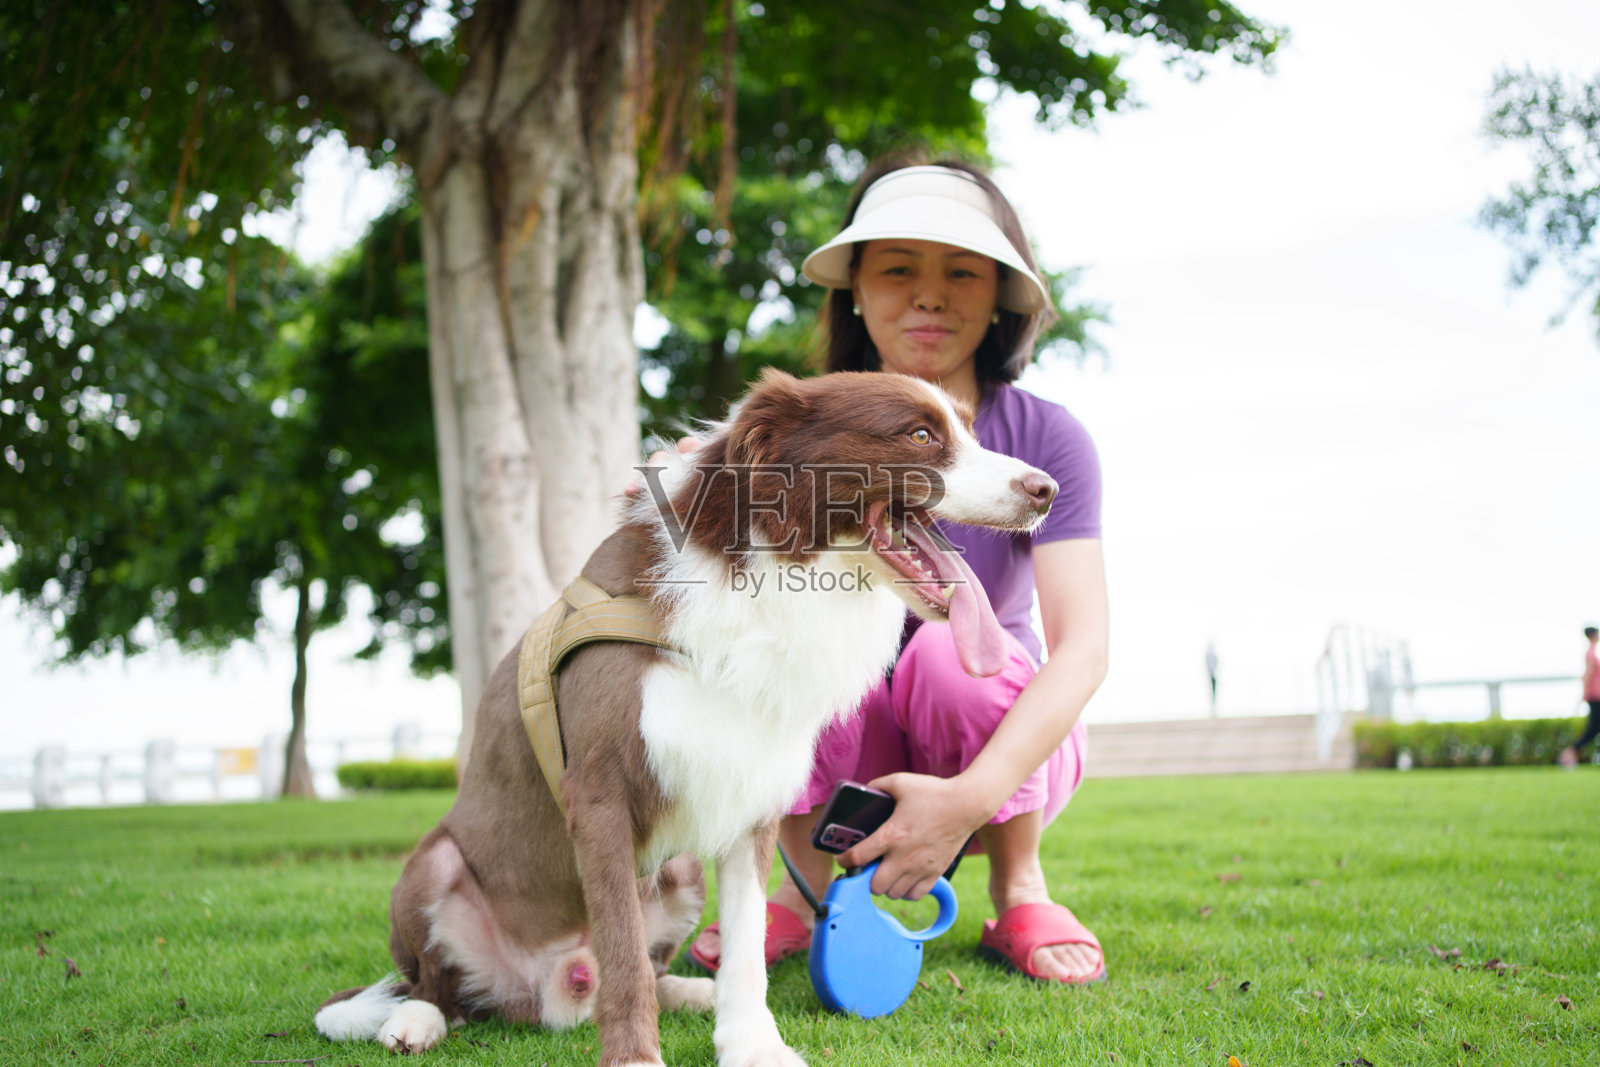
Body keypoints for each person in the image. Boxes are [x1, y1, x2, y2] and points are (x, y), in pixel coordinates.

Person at [686, 156, 1110, 985]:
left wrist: (969, 797)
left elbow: (1084, 648)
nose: (928, 293)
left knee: (950, 658)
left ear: (999, 296)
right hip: (849, 725)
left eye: (961, 270)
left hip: (993, 733)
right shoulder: (802, 422)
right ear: (853, 290)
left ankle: (1020, 883)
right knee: (817, 659)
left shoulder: (1048, 435)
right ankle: (800, 886)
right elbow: (711, 521)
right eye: (897, 268)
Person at [1557, 626, 1600, 767]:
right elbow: (1587, 675)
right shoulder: (1590, 654)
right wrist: (1583, 693)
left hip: (1595, 694)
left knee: (1593, 728)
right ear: (1593, 635)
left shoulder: (1591, 652)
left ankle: (1569, 754)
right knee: (1593, 729)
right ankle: (1568, 754)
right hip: (1595, 695)